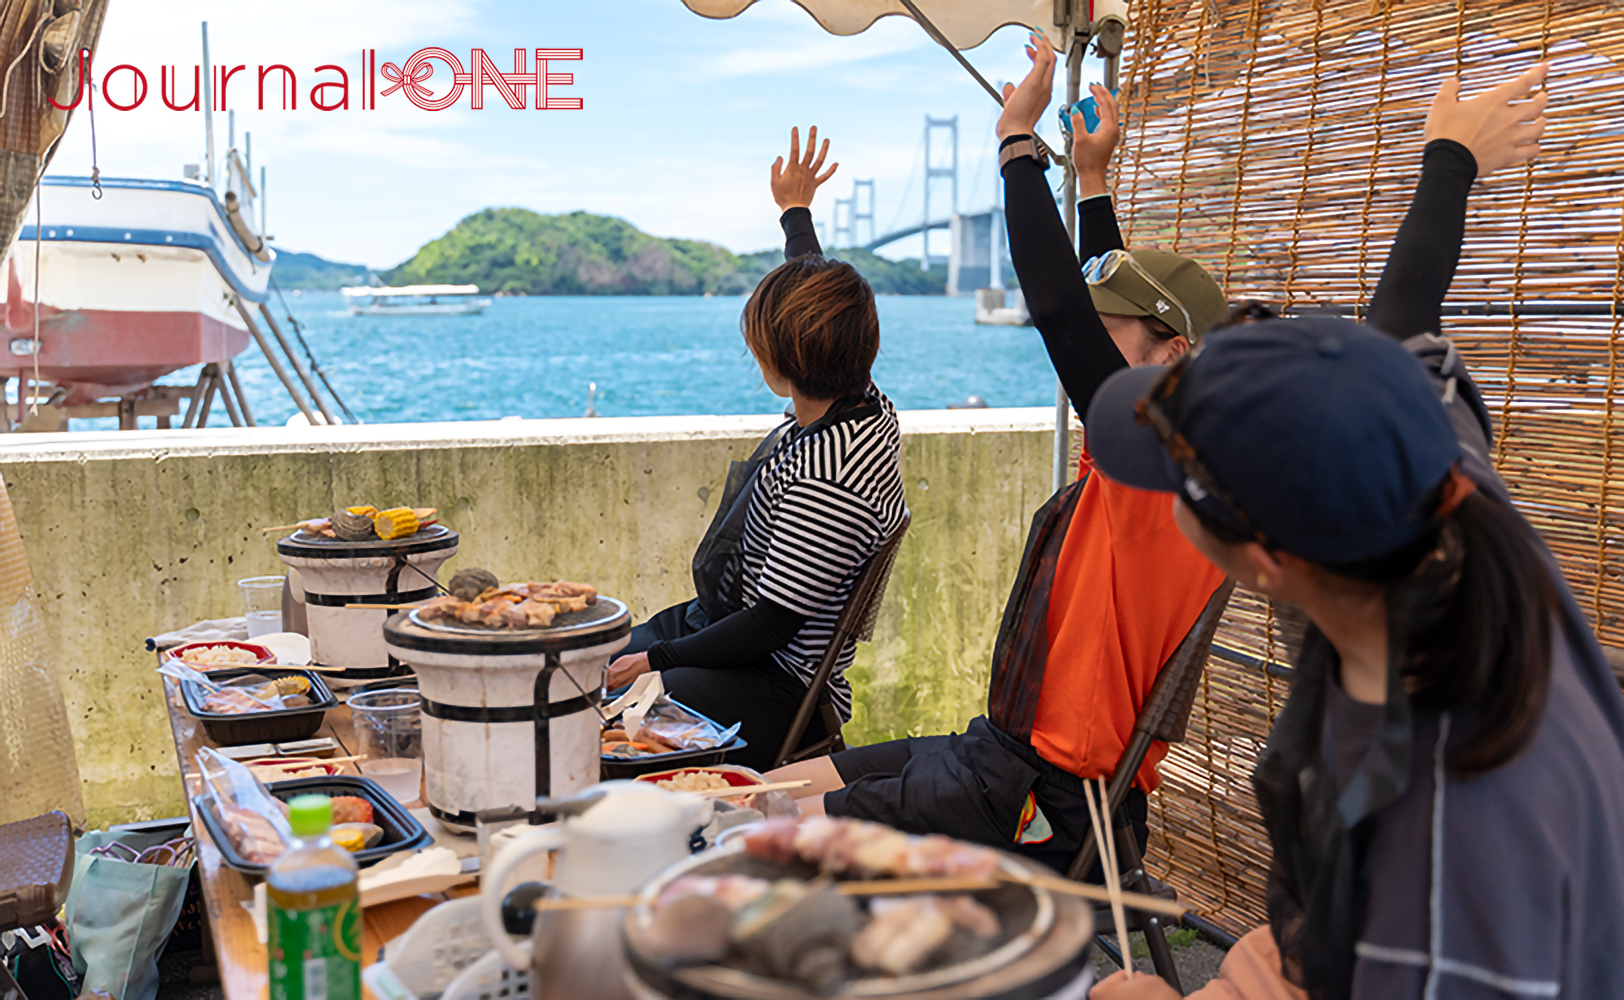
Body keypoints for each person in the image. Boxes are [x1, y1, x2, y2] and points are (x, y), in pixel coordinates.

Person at [1087, 63, 1624, 1000]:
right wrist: (1447, 159)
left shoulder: (1438, 842)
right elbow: (1399, 327)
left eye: (1182, 472)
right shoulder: (1445, 496)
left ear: (1263, 560)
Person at [768, 30, 1232, 875]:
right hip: (1005, 759)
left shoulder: (1157, 467)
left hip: (1042, 807)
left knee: (757, 825)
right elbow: (1096, 289)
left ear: (1173, 351)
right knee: (773, 784)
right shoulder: (1168, 452)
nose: (1088, 341)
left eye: (1110, 331)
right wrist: (1090, 178)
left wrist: (1017, 145)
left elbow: (1059, 307)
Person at [606, 127, 907, 772]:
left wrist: (658, 660)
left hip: (776, 685)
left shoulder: (832, 475)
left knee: (596, 702)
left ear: (782, 361)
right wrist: (796, 215)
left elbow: (771, 625)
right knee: (583, 659)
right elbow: (824, 310)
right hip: (730, 636)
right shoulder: (863, 404)